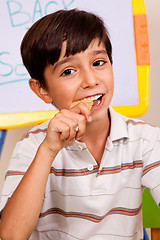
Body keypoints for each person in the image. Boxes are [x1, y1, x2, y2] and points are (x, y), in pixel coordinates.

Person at [0, 8, 160, 240]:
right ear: (42, 89)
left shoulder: (147, 139)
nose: (91, 80)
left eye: (98, 62)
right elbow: (11, 235)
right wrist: (48, 151)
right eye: (68, 71)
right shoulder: (33, 145)